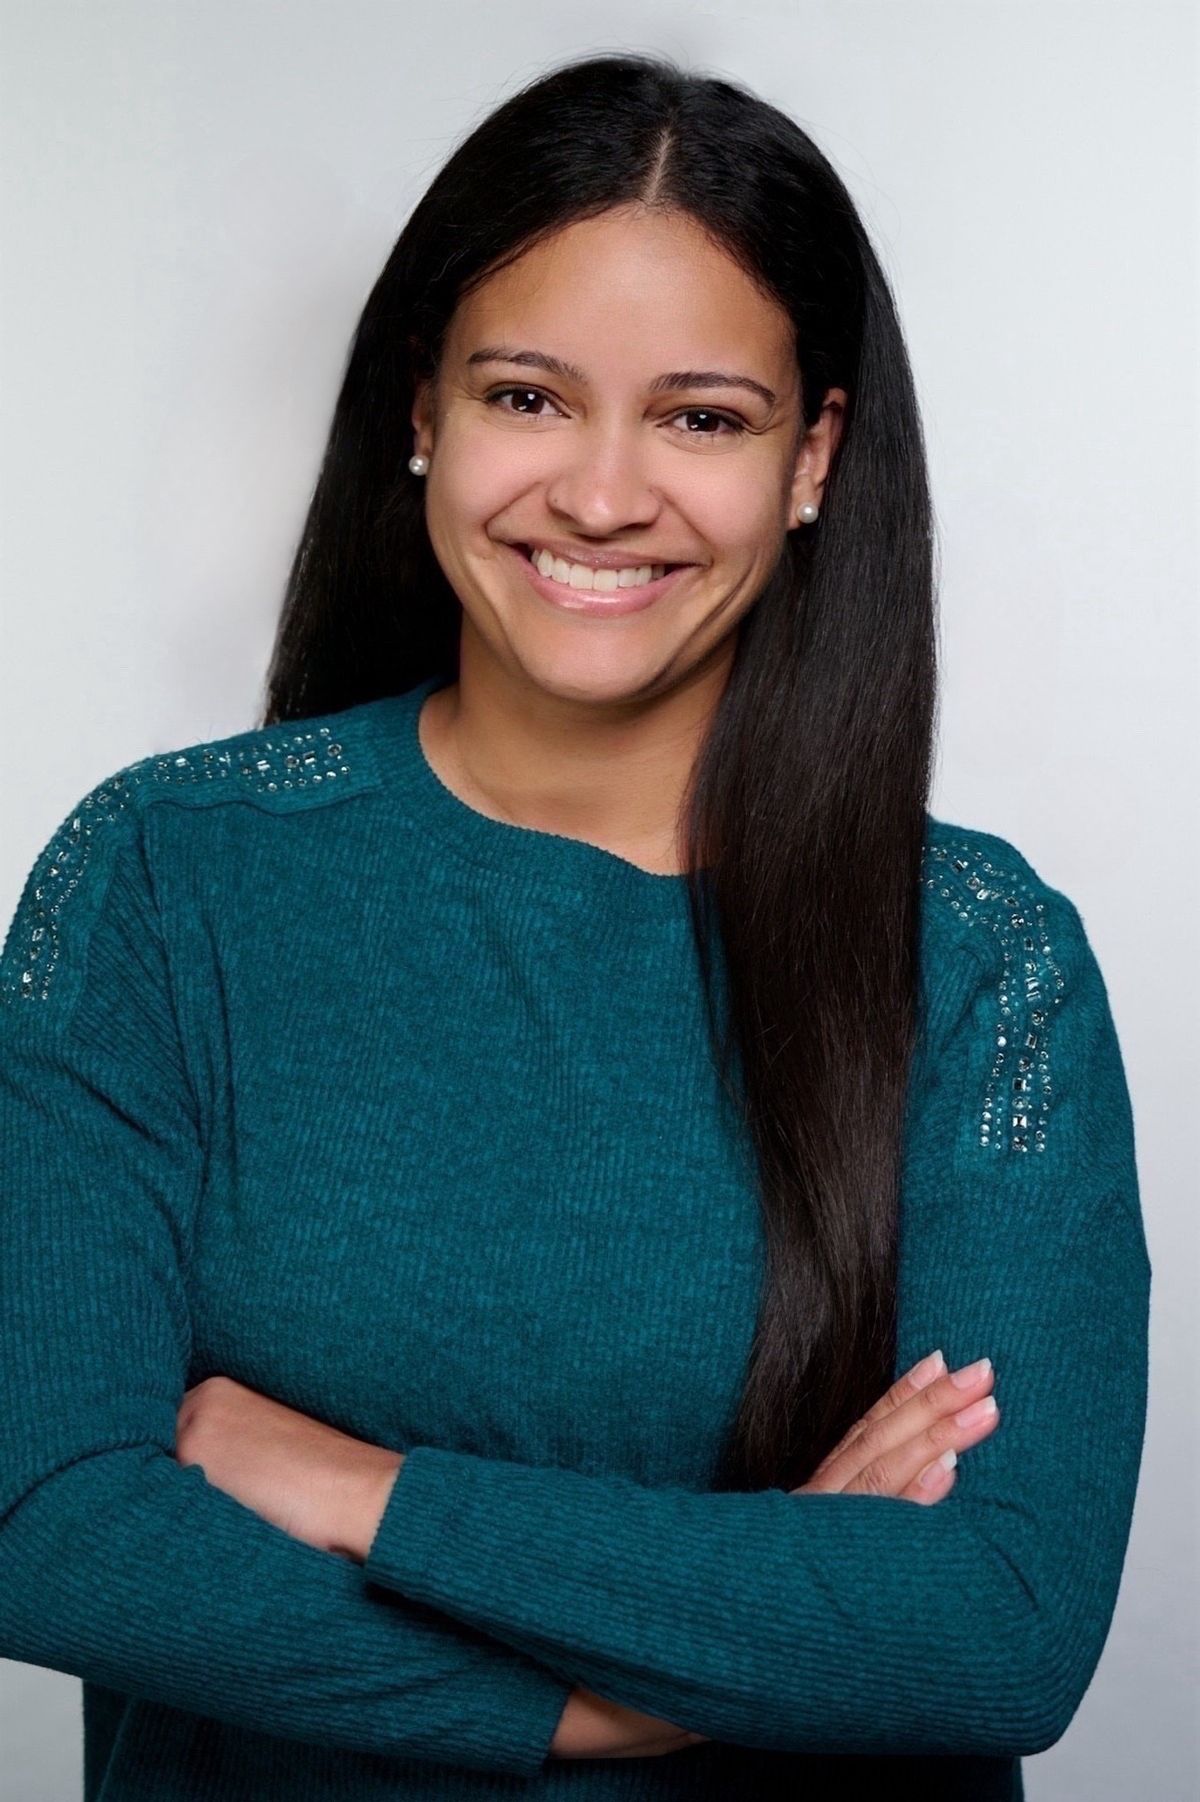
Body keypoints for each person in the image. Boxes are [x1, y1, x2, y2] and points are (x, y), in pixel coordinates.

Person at [0, 50, 1150, 1802]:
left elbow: (996, 1619)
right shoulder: (166, 875)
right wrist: (636, 1690)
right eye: (529, 395)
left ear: (815, 456)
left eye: (702, 417)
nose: (603, 496)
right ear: (423, 412)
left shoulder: (982, 961)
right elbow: (51, 1515)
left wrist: (360, 1488)